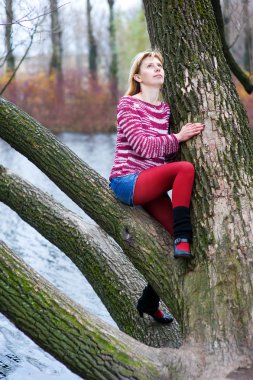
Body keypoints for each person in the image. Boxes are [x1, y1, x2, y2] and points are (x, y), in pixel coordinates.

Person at [109, 50, 204, 324]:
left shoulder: (164, 110)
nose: (158, 68)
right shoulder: (128, 105)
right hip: (128, 182)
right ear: (138, 77)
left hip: (150, 182)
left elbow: (162, 156)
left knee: (173, 239)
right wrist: (178, 136)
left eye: (160, 65)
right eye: (150, 66)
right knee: (185, 170)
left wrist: (177, 142)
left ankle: (149, 301)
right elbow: (143, 146)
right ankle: (183, 237)